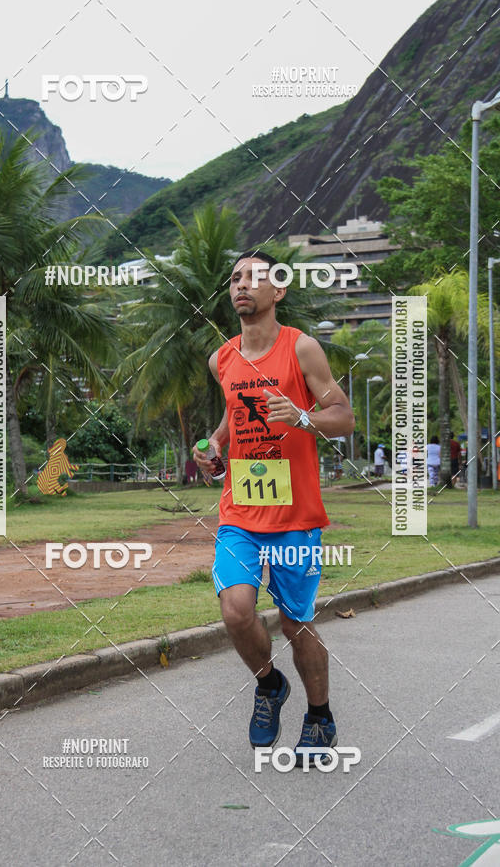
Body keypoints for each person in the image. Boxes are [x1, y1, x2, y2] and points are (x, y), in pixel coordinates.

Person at [193, 251, 355, 767]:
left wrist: (303, 417)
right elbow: (232, 413)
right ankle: (269, 683)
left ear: (277, 291)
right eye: (235, 278)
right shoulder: (223, 358)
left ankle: (320, 716)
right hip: (240, 508)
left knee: (295, 623)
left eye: (254, 278)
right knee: (237, 610)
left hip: (295, 516)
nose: (242, 285)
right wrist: (214, 448)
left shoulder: (302, 349)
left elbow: (344, 417)